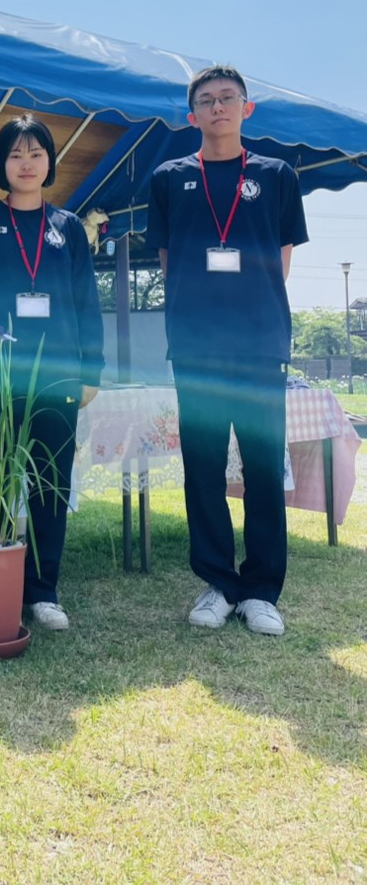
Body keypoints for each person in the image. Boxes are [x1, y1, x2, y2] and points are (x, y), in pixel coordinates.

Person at [146, 65, 308, 636]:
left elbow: (282, 256)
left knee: (264, 467)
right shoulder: (169, 177)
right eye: (206, 101)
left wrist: (249, 307)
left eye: (227, 98)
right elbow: (168, 261)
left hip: (260, 344)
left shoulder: (277, 175)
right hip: (195, 345)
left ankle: (262, 589)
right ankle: (217, 582)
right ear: (191, 115)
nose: (218, 107)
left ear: (247, 108)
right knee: (204, 467)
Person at [0, 114, 104, 631]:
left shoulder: (68, 229)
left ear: (49, 162)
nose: (27, 163)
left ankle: (43, 590)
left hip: (56, 375)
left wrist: (91, 369)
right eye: (16, 154)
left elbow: (86, 303)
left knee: (49, 485)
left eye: (36, 153)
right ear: (2, 164)